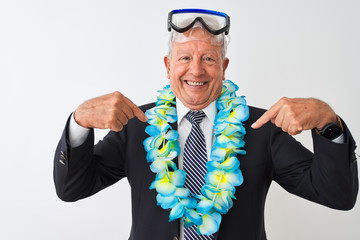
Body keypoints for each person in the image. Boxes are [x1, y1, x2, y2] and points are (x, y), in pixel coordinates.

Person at [54, 9, 358, 240]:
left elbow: (337, 195)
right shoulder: (137, 124)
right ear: (168, 65)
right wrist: (79, 123)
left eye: (209, 59)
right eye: (184, 57)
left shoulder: (262, 128)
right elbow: (71, 188)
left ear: (224, 67)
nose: (196, 70)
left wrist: (328, 123)